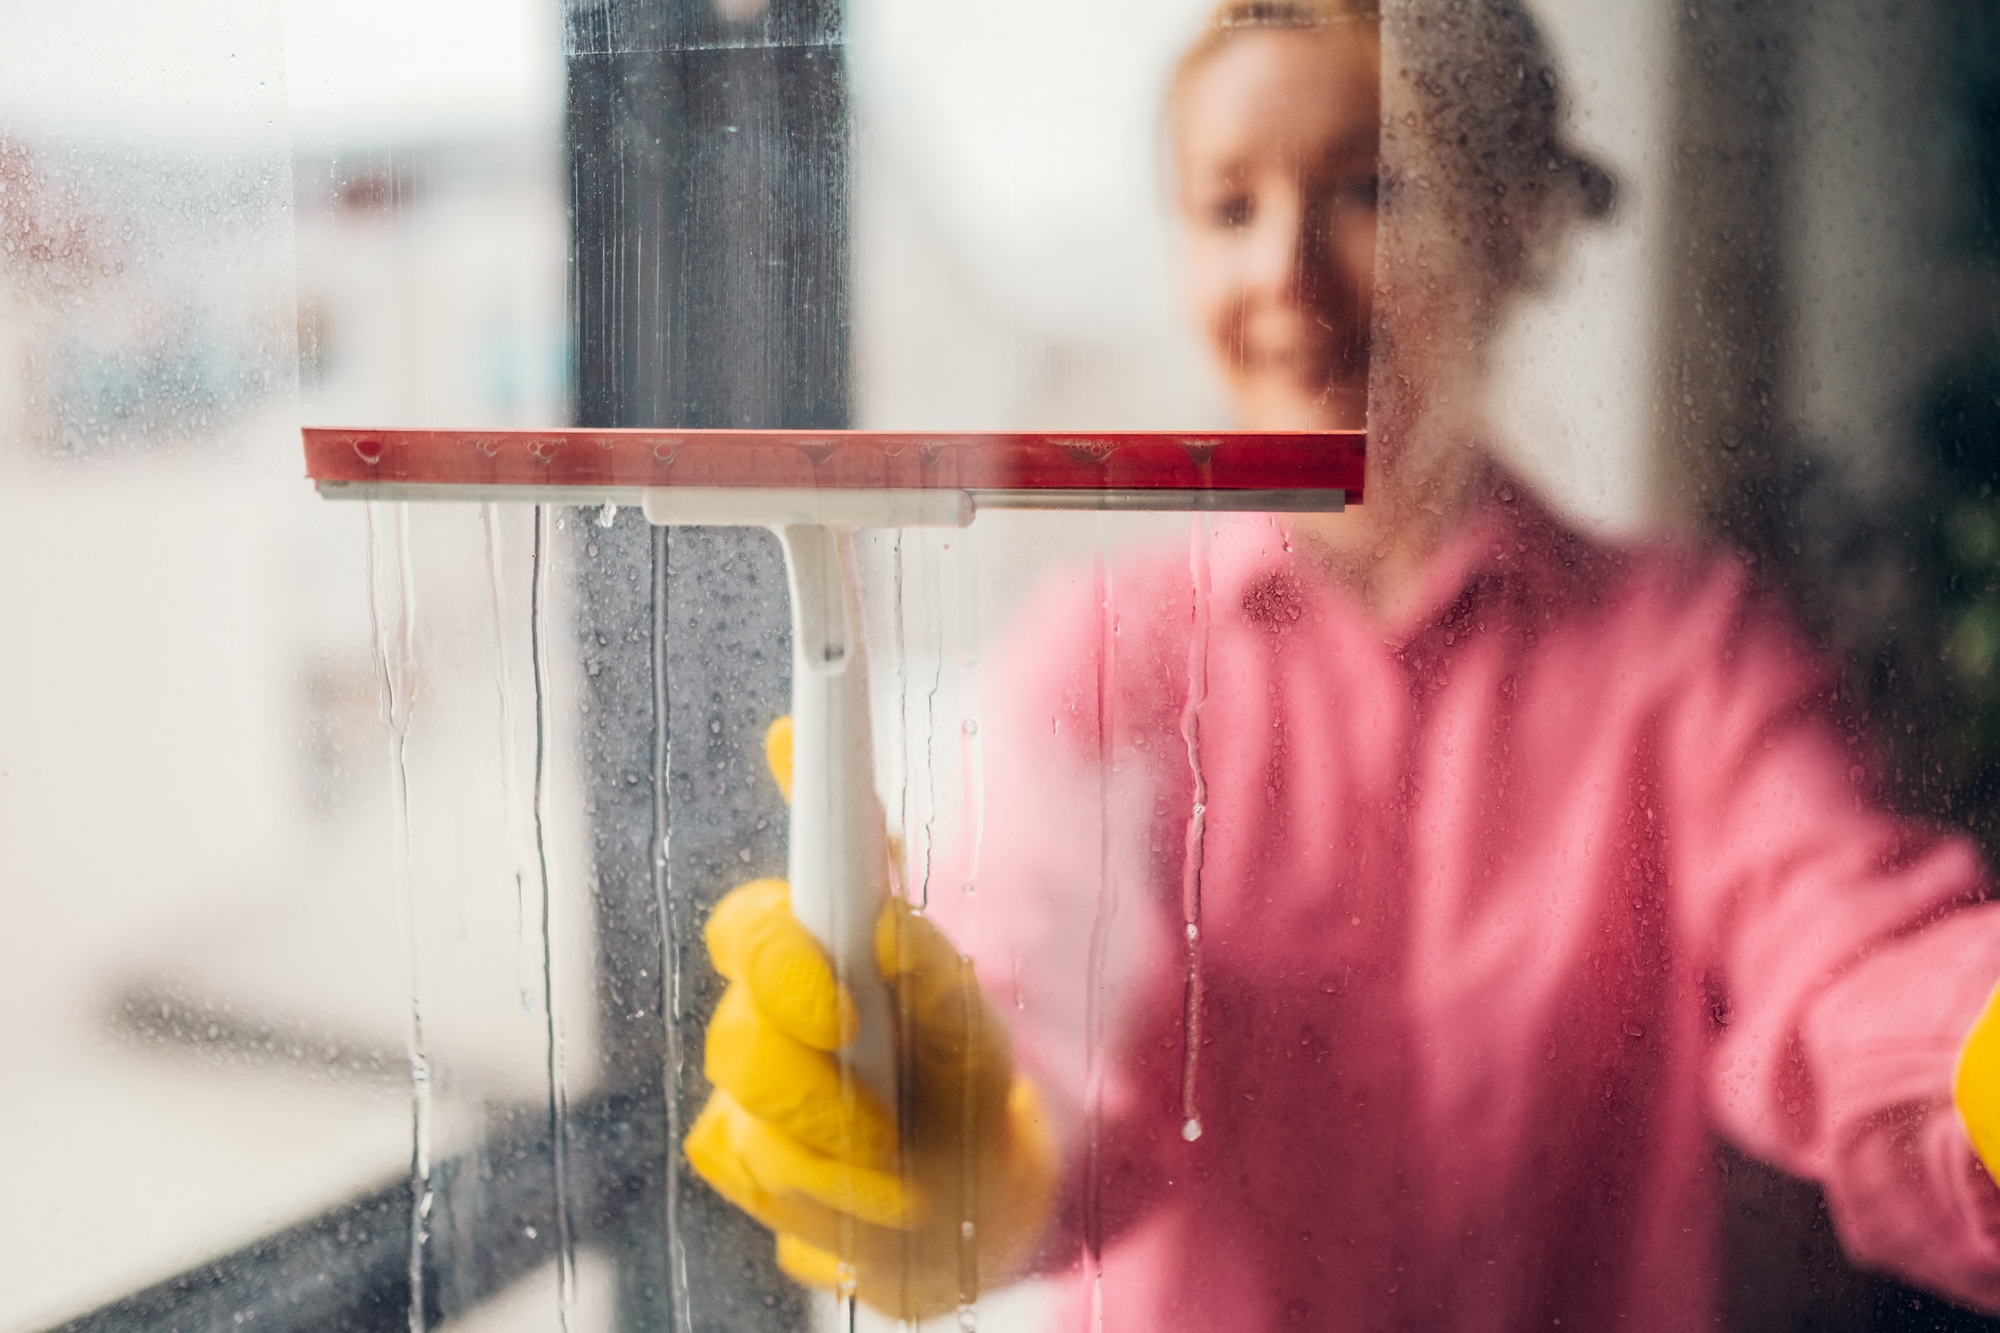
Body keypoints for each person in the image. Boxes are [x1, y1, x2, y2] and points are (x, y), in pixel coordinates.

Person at [685, 0, 2000, 1326]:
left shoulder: (1690, 654)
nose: (1286, 274)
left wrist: (1976, 1052)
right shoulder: (1102, 656)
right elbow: (1039, 998)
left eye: (1376, 188)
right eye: (1227, 206)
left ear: (1515, 227)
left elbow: (1846, 954)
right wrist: (955, 1139)